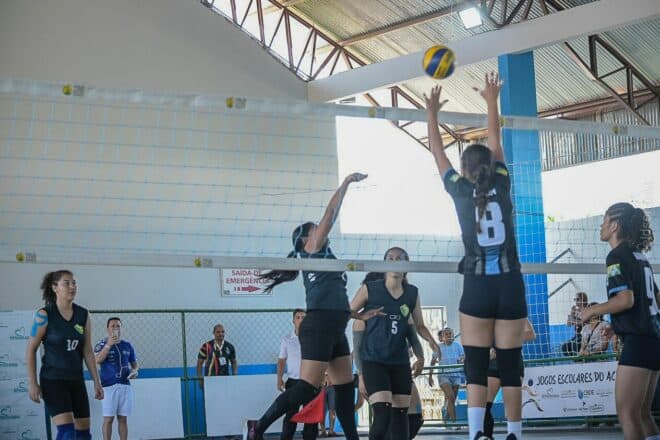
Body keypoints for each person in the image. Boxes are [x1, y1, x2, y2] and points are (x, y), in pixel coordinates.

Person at [426, 72, 528, 440]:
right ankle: (514, 433)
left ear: (465, 170)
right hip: (510, 283)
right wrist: (491, 101)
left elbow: (437, 154)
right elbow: (496, 142)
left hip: (478, 286)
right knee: (511, 364)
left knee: (476, 364)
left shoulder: (458, 190)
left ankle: (476, 435)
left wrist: (431, 114)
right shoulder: (502, 179)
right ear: (489, 165)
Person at [247, 172, 378, 440]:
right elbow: (330, 215)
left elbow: (333, 298)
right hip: (318, 326)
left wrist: (357, 314)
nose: (320, 230)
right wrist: (345, 184)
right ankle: (258, 426)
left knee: (344, 389)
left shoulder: (325, 257)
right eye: (314, 230)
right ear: (307, 240)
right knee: (307, 388)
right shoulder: (312, 250)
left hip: (335, 326)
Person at [580, 202, 660, 440]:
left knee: (628, 414)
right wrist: (619, 326)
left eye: (604, 221)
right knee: (643, 415)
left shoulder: (616, 256)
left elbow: (626, 299)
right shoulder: (639, 257)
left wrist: (591, 311)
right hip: (653, 339)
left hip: (639, 343)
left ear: (614, 225)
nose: (601, 226)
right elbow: (654, 299)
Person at [350, 247, 440, 440]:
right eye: (390, 258)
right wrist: (362, 315)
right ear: (384, 264)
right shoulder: (370, 289)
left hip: (399, 363)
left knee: (401, 419)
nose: (395, 261)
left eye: (400, 258)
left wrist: (431, 343)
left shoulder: (412, 293)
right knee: (382, 416)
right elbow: (347, 311)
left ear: (406, 265)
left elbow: (418, 326)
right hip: (374, 362)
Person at [25, 270, 103, 440]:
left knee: (83, 435)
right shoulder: (44, 314)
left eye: (74, 283)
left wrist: (97, 381)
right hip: (53, 380)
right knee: (67, 432)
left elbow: (87, 350)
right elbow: (31, 349)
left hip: (76, 380)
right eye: (66, 283)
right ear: (55, 288)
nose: (72, 286)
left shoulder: (83, 314)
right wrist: (32, 383)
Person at [483, 319, 535, 439]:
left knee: (512, 409)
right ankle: (487, 436)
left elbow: (531, 334)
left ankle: (513, 436)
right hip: (494, 365)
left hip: (513, 364)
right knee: (484, 406)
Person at [94, 317, 138, 440]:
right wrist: (109, 345)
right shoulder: (101, 344)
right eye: (112, 326)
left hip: (125, 386)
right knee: (108, 419)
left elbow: (135, 365)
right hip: (108, 387)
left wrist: (135, 371)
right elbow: (97, 360)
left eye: (118, 326)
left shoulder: (127, 345)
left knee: (123, 419)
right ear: (107, 329)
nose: (115, 328)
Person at [277, 309, 317, 440]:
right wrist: (279, 378)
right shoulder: (287, 339)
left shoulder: (313, 338)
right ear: (293, 321)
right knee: (291, 414)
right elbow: (281, 360)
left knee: (311, 414)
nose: (301, 320)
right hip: (293, 382)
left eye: (303, 317)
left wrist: (325, 375)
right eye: (298, 317)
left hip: (311, 382)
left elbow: (321, 358)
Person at [428, 327, 465, 422]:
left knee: (452, 400)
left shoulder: (458, 345)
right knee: (451, 397)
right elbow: (433, 361)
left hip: (456, 375)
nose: (448, 336)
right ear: (442, 337)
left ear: (453, 335)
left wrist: (461, 359)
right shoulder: (438, 347)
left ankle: (446, 419)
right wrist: (430, 376)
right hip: (443, 375)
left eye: (450, 334)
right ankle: (454, 423)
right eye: (446, 334)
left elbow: (462, 357)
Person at [561, 292, 588, 356]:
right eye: (575, 299)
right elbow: (568, 324)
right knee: (565, 347)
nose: (576, 301)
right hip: (577, 335)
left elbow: (583, 323)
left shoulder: (587, 310)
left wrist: (573, 320)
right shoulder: (576, 311)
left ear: (583, 300)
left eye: (577, 299)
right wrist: (572, 313)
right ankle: (574, 359)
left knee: (575, 344)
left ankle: (580, 359)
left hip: (586, 335)